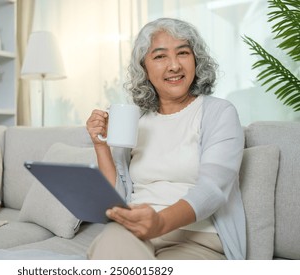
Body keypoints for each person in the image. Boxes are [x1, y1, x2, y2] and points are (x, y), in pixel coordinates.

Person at [85, 18, 246, 260]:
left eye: (183, 53)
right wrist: (101, 146)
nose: (174, 65)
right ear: (144, 67)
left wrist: (159, 222)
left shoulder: (219, 112)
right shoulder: (134, 118)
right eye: (160, 56)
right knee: (110, 249)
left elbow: (212, 190)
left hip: (198, 238)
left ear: (196, 60)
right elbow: (115, 198)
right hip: (135, 231)